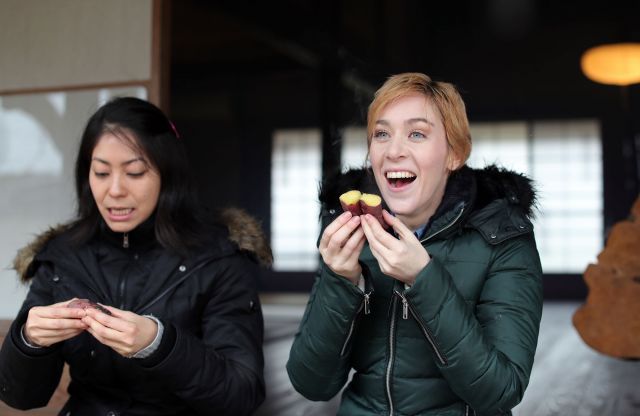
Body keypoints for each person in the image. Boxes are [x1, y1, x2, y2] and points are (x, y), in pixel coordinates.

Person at [287, 73, 543, 415]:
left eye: (417, 134)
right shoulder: (350, 230)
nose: (393, 151)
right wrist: (342, 281)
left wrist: (424, 279)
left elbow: (500, 392)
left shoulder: (503, 237)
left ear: (454, 154)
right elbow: (311, 384)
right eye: (381, 134)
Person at [0, 97, 270, 416]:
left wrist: (159, 344)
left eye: (135, 172)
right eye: (101, 173)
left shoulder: (220, 256)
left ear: (167, 175)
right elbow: (18, 396)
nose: (114, 190)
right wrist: (28, 341)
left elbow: (241, 395)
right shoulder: (62, 257)